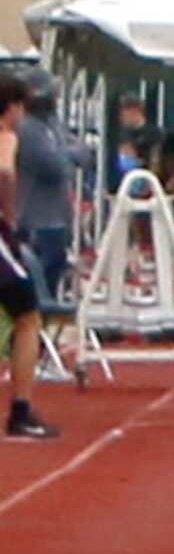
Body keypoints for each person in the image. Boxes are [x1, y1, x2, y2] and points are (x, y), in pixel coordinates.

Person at [1, 78, 68, 440]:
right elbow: (6, 171)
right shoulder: (8, 136)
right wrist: (9, 216)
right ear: (11, 107)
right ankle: (21, 410)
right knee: (27, 317)